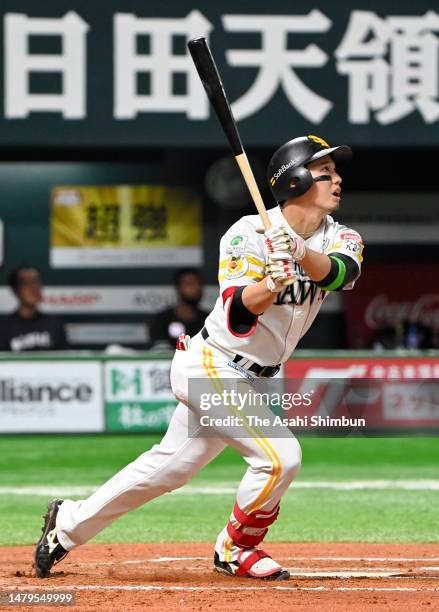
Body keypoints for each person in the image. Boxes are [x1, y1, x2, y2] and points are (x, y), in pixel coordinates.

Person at [34, 135, 363, 581]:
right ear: (296, 180)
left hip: (253, 378)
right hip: (212, 364)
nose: (337, 179)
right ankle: (235, 548)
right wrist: (271, 283)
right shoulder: (247, 234)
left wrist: (300, 255)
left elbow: (344, 273)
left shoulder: (340, 235)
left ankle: (66, 525)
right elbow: (238, 313)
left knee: (167, 470)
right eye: (326, 172)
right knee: (280, 457)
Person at [0, 265, 67, 352]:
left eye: (36, 281)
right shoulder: (3, 327)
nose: (33, 288)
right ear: (16, 289)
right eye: (27, 283)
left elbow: (65, 362)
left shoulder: (55, 324)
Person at [148, 268, 207, 350]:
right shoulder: (161, 320)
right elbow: (160, 353)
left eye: (199, 284)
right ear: (178, 288)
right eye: (190, 284)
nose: (196, 288)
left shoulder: (210, 320)